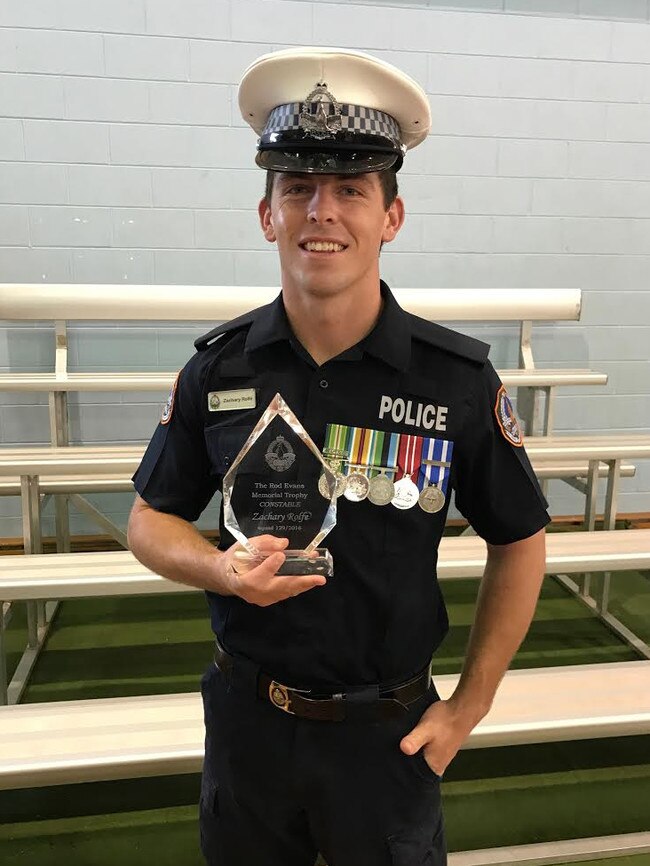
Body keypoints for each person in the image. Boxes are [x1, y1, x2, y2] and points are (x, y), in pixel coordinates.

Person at [127, 47, 549, 866]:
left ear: (391, 217)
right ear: (267, 215)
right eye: (298, 189)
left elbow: (521, 538)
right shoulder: (220, 369)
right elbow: (150, 520)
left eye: (351, 189)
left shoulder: (452, 381)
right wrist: (220, 570)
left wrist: (470, 705)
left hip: (385, 737)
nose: (322, 211)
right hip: (248, 723)